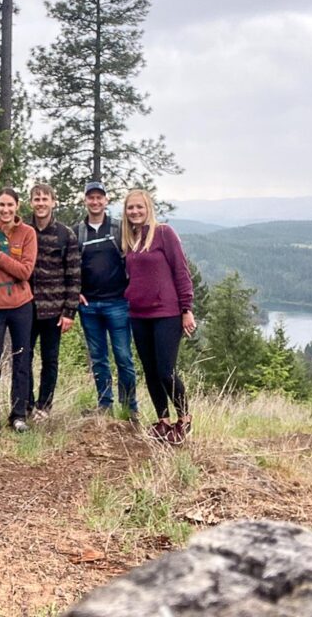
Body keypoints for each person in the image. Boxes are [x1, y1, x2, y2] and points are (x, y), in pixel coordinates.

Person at [122, 188, 196, 444]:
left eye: (139, 207)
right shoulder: (129, 239)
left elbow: (181, 271)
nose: (135, 211)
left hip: (167, 313)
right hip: (138, 314)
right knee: (151, 370)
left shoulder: (164, 233)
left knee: (166, 370)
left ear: (148, 208)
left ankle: (184, 419)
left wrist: (186, 309)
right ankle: (163, 420)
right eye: (130, 208)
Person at [75, 180, 138, 420]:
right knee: (99, 358)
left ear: (106, 200)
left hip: (118, 303)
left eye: (99, 197)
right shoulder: (77, 231)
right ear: (85, 201)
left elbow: (134, 260)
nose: (95, 201)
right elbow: (71, 265)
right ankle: (105, 404)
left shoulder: (119, 228)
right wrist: (75, 291)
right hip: (88, 306)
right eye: (91, 197)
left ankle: (130, 407)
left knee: (123, 356)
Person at [0, 187, 38, 435]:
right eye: (1, 205)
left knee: (22, 359)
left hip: (22, 304)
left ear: (17, 207)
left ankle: (18, 414)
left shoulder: (27, 233)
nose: (5, 209)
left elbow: (25, 271)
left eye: (9, 205)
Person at [26, 183, 80, 420]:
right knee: (23, 357)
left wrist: (69, 311)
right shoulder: (24, 231)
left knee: (50, 360)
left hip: (54, 309)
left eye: (45, 199)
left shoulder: (65, 234)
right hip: (26, 307)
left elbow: (74, 274)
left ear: (53, 202)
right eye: (36, 199)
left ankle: (44, 407)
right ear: (30, 203)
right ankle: (25, 404)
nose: (40, 203)